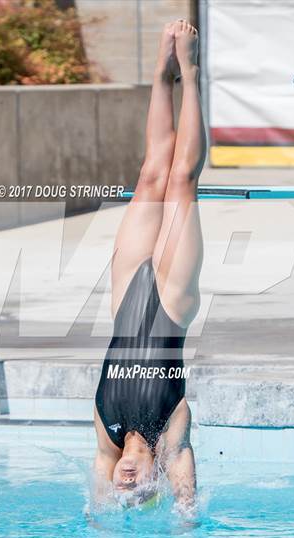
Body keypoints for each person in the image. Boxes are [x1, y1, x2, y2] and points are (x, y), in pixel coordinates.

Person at [93, 20, 206, 511]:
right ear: (154, 478)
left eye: (121, 485)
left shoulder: (105, 427)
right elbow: (185, 484)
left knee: (150, 173)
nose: (126, 478)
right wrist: (183, 520)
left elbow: (95, 504)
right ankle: (192, 71)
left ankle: (162, 75)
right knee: (180, 179)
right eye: (137, 486)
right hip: (171, 303)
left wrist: (102, 514)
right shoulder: (169, 434)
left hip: (126, 297)